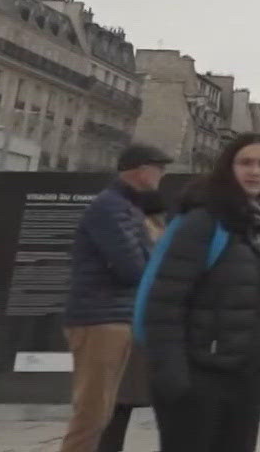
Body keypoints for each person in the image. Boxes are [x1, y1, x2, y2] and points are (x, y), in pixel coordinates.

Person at [142, 133, 260, 452]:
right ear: (227, 168)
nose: (255, 171)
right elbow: (164, 302)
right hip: (199, 376)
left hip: (246, 377)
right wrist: (174, 377)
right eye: (245, 162)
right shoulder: (203, 221)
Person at [60, 144, 169, 452]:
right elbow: (133, 267)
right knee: (92, 413)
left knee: (102, 409)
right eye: (158, 167)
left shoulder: (126, 207)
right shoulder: (111, 207)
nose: (162, 174)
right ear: (140, 170)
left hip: (113, 316)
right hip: (100, 318)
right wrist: (151, 254)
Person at [101, 182, 167, 452]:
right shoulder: (157, 239)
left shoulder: (126, 235)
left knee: (116, 405)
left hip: (119, 327)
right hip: (138, 331)